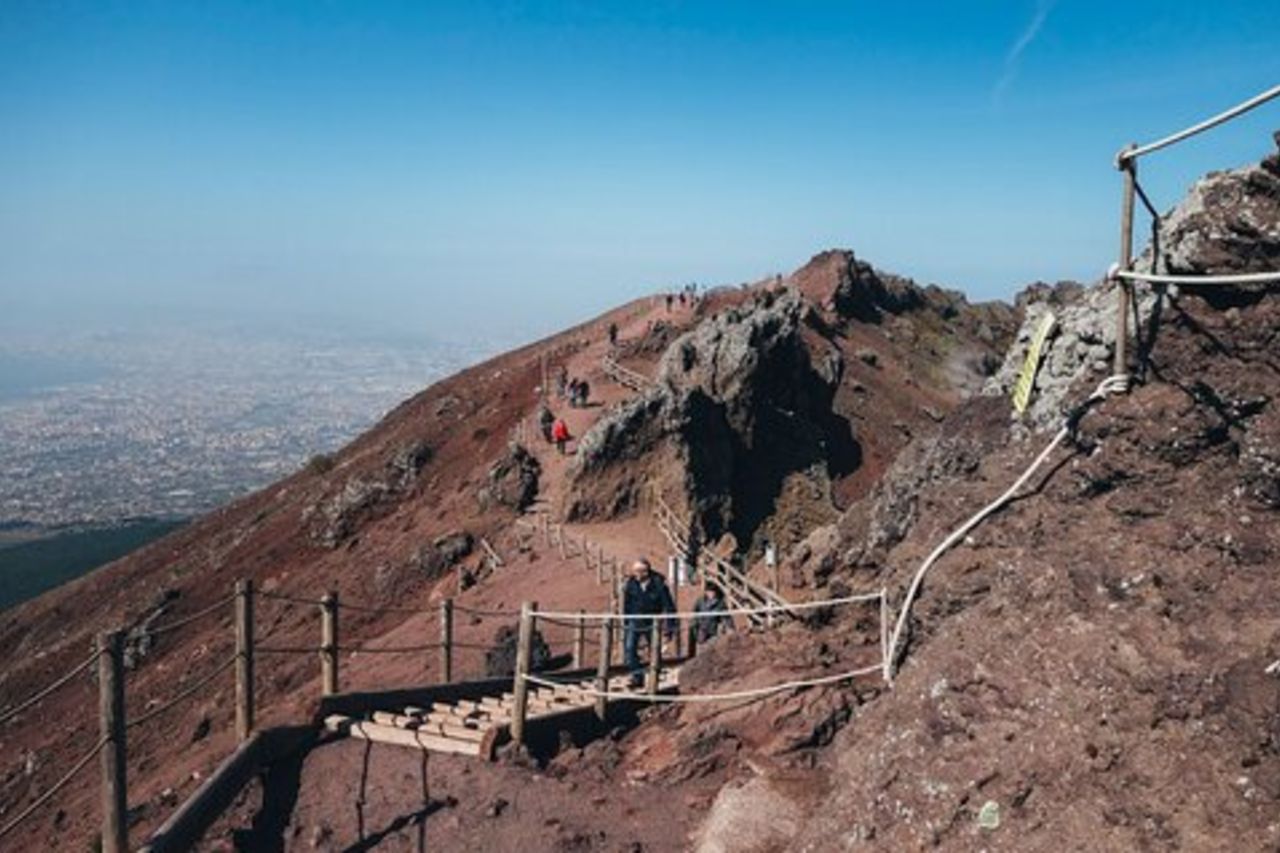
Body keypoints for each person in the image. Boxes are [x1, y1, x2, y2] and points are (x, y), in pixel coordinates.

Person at [622, 558, 676, 687]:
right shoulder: (631, 584)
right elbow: (627, 604)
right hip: (635, 621)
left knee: (654, 649)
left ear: (646, 572)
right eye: (634, 571)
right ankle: (637, 676)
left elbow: (669, 606)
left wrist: (669, 628)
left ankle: (655, 675)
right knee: (630, 648)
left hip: (653, 622)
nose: (636, 574)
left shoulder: (659, 584)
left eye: (638, 571)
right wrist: (626, 621)